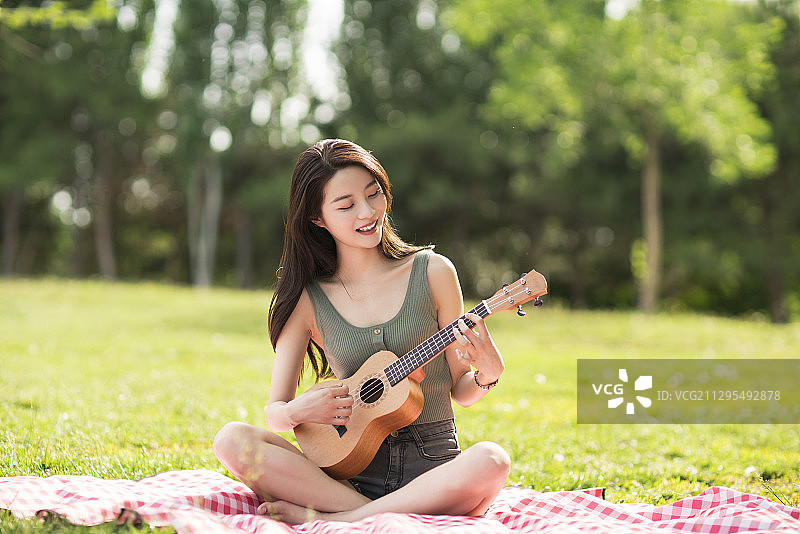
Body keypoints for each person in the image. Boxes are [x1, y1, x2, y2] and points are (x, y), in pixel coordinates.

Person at [212, 139, 510, 524]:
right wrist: (294, 412)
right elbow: (274, 413)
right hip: (347, 472)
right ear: (317, 218)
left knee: (492, 460)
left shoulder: (433, 271)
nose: (368, 212)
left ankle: (339, 519)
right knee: (231, 439)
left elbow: (460, 389)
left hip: (433, 466)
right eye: (346, 204)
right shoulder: (308, 299)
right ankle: (364, 510)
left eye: (374, 195)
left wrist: (488, 374)